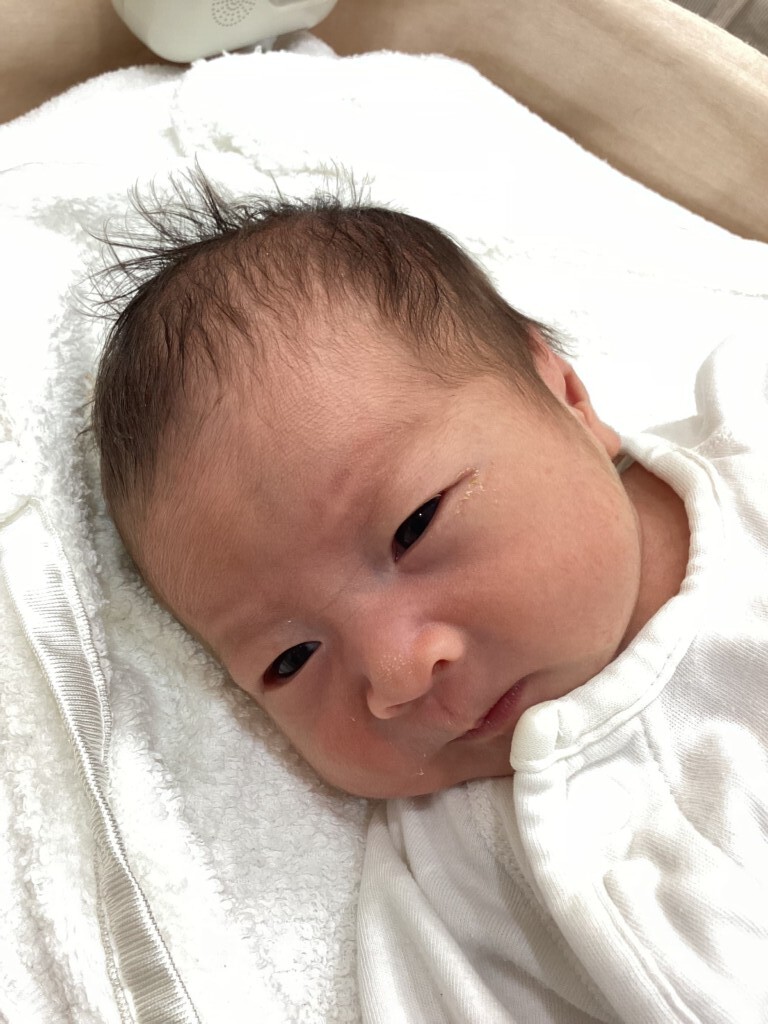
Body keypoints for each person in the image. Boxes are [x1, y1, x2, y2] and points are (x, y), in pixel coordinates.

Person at [93, 172, 768, 1021]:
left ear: (563, 393)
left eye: (414, 526)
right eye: (290, 659)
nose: (396, 675)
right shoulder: (463, 883)